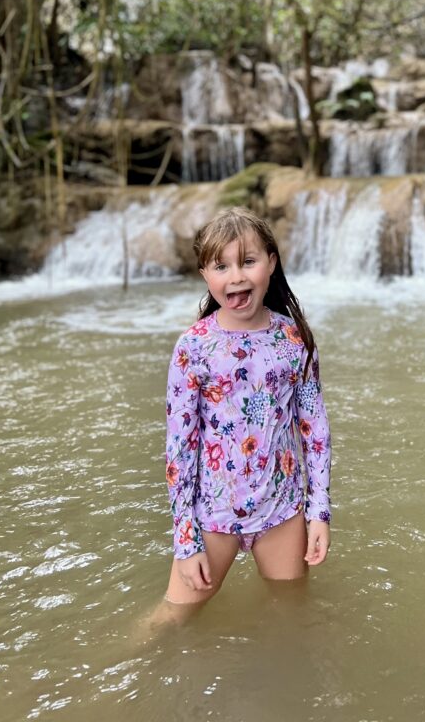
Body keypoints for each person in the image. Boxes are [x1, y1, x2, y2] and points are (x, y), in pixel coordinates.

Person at [162, 206, 331, 610]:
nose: (236, 276)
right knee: (172, 620)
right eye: (221, 266)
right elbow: (180, 449)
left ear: (271, 263)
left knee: (294, 613)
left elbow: (315, 429)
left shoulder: (293, 340)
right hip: (213, 514)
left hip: (281, 509)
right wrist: (187, 539)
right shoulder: (194, 347)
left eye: (248, 261)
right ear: (205, 274)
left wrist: (319, 512)